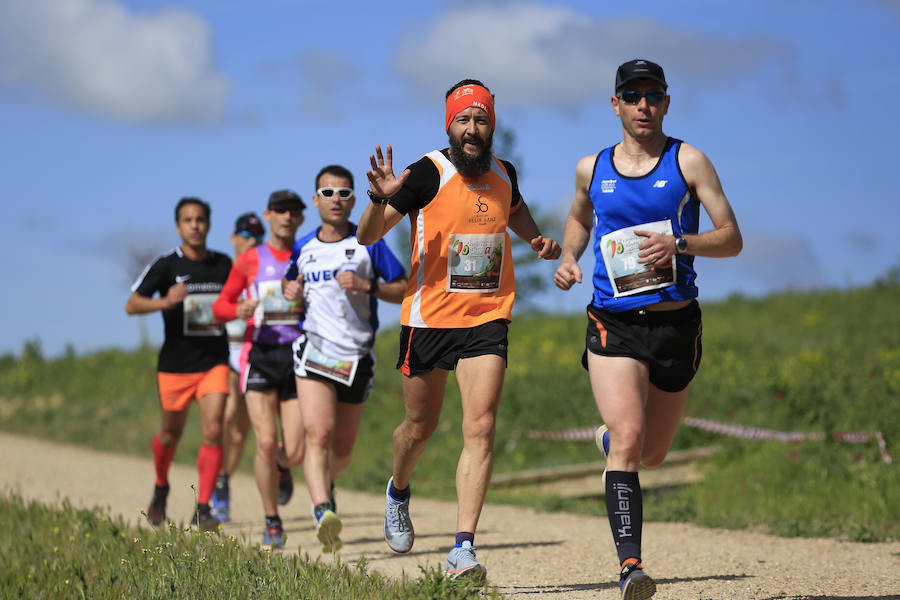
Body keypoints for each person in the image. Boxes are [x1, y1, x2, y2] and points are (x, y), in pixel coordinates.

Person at [553, 59, 743, 599]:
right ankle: (631, 567)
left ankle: (611, 438)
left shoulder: (689, 161)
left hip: (675, 324)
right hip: (612, 321)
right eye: (632, 96)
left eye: (653, 96)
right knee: (631, 442)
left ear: (666, 103)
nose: (643, 106)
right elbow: (580, 217)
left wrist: (679, 243)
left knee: (652, 453)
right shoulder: (592, 167)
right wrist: (569, 256)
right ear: (615, 104)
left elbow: (731, 238)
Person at [357, 79, 561, 581]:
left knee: (481, 426)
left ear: (492, 126)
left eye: (481, 120)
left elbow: (514, 208)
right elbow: (366, 236)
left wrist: (536, 239)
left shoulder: (504, 172)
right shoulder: (427, 172)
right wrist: (379, 198)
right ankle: (398, 490)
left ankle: (462, 548)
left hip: (487, 315)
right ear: (449, 125)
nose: (473, 129)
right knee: (419, 428)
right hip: (428, 319)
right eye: (464, 120)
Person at [281, 165, 407, 553]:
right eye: (328, 193)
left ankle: (327, 483)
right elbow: (289, 282)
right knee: (317, 434)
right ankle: (323, 510)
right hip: (315, 352)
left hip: (357, 357)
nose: (336, 200)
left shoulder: (370, 241)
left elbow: (404, 288)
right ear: (315, 200)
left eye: (344, 193)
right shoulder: (303, 246)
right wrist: (289, 290)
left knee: (343, 450)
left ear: (354, 201)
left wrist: (368, 285)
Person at [125, 196, 232, 532]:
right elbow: (131, 304)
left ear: (208, 225)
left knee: (214, 430)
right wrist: (165, 302)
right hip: (175, 366)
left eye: (200, 219)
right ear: (178, 226)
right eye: (188, 220)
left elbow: (235, 301)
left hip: (214, 362)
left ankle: (203, 508)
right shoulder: (166, 265)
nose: (195, 226)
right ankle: (161, 487)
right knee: (170, 435)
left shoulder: (223, 264)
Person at [212, 190, 306, 549]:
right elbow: (220, 306)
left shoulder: (308, 253)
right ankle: (272, 520)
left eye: (293, 211)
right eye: (280, 210)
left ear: (301, 218)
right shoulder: (251, 259)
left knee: (294, 451)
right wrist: (237, 310)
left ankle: (282, 467)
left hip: (298, 356)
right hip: (260, 355)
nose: (287, 216)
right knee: (265, 441)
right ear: (269, 215)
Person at [210, 212, 266, 523]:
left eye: (257, 237)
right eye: (246, 236)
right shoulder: (221, 270)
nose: (251, 242)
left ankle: (224, 479)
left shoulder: (264, 269)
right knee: (229, 415)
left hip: (254, 350)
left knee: (241, 431)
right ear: (233, 239)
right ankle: (218, 482)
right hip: (225, 351)